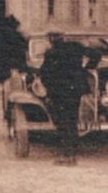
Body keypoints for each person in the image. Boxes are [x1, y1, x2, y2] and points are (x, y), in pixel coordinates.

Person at [39, 34, 93, 166]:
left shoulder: (50, 53)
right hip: (75, 91)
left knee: (62, 124)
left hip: (59, 93)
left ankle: (65, 155)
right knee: (72, 121)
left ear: (51, 40)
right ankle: (72, 156)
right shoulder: (76, 47)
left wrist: (47, 91)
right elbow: (96, 53)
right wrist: (86, 68)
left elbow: (44, 73)